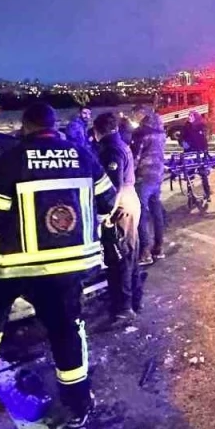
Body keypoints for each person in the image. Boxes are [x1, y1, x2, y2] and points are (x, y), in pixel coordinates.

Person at [0, 101, 115, 429]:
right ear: (54, 125)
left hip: (13, 266)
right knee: (66, 332)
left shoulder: (9, 160)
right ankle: (78, 404)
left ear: (25, 126)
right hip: (67, 266)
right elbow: (108, 202)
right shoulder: (82, 155)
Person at [92, 112, 143, 323]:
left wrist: (106, 214)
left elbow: (114, 186)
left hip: (120, 205)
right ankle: (134, 301)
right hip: (128, 200)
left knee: (120, 256)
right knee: (129, 254)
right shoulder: (120, 143)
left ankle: (124, 308)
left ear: (98, 130)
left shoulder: (111, 149)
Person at [133, 110, 167, 264]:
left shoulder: (141, 133)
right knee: (156, 210)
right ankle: (158, 247)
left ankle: (145, 251)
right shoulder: (161, 133)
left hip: (143, 176)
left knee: (141, 213)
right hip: (157, 175)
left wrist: (130, 174)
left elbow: (136, 156)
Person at [179, 111, 212, 202]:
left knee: (203, 174)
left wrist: (205, 151)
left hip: (200, 154)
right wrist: (183, 143)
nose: (189, 117)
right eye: (189, 115)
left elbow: (204, 140)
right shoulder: (186, 126)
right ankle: (191, 194)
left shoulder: (201, 126)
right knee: (190, 175)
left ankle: (207, 193)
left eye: (191, 115)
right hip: (189, 154)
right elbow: (181, 138)